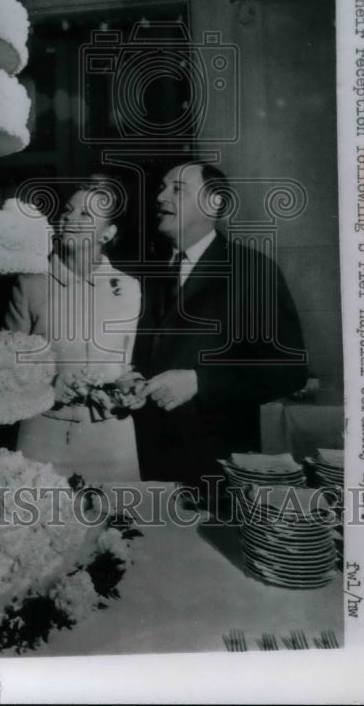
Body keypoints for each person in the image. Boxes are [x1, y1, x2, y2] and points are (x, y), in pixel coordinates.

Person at [126, 160, 308, 490]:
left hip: (215, 464)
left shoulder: (252, 270)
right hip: (140, 459)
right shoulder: (142, 271)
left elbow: (289, 369)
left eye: (177, 189)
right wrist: (130, 375)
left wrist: (200, 381)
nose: (161, 197)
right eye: (162, 188)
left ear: (215, 203)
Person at [4, 178, 142, 481]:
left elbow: (123, 367)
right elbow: (7, 363)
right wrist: (49, 385)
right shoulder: (30, 284)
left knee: (118, 524)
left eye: (85, 215)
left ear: (108, 232)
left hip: (111, 438)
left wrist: (132, 388)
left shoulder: (129, 288)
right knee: (36, 521)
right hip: (43, 432)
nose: (69, 218)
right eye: (68, 210)